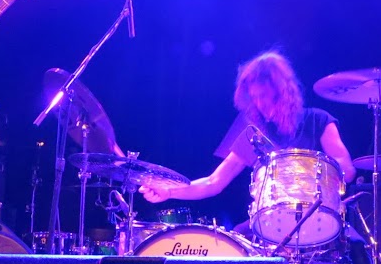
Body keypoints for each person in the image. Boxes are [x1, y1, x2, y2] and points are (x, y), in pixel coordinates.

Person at [139, 50, 357, 234]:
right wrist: (169, 191)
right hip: (271, 225)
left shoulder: (318, 120)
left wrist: (307, 178)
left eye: (265, 95)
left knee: (358, 249)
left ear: (284, 92)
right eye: (255, 98)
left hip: (318, 220)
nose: (260, 104)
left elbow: (346, 169)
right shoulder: (255, 135)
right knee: (235, 241)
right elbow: (214, 182)